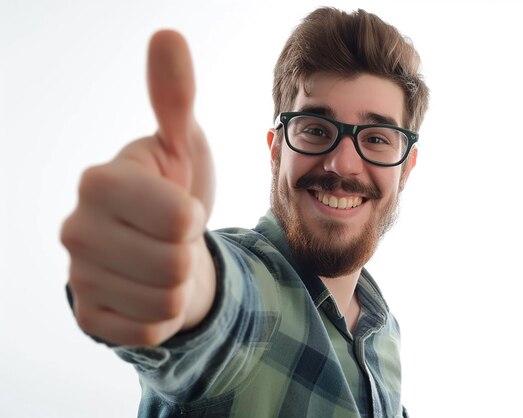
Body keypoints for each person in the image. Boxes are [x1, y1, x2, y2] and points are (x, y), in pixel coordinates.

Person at [61, 6, 429, 417]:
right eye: (315, 130)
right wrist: (165, 273)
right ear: (276, 151)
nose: (343, 164)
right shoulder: (256, 288)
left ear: (406, 168)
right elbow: (217, 306)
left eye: (377, 138)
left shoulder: (383, 330)